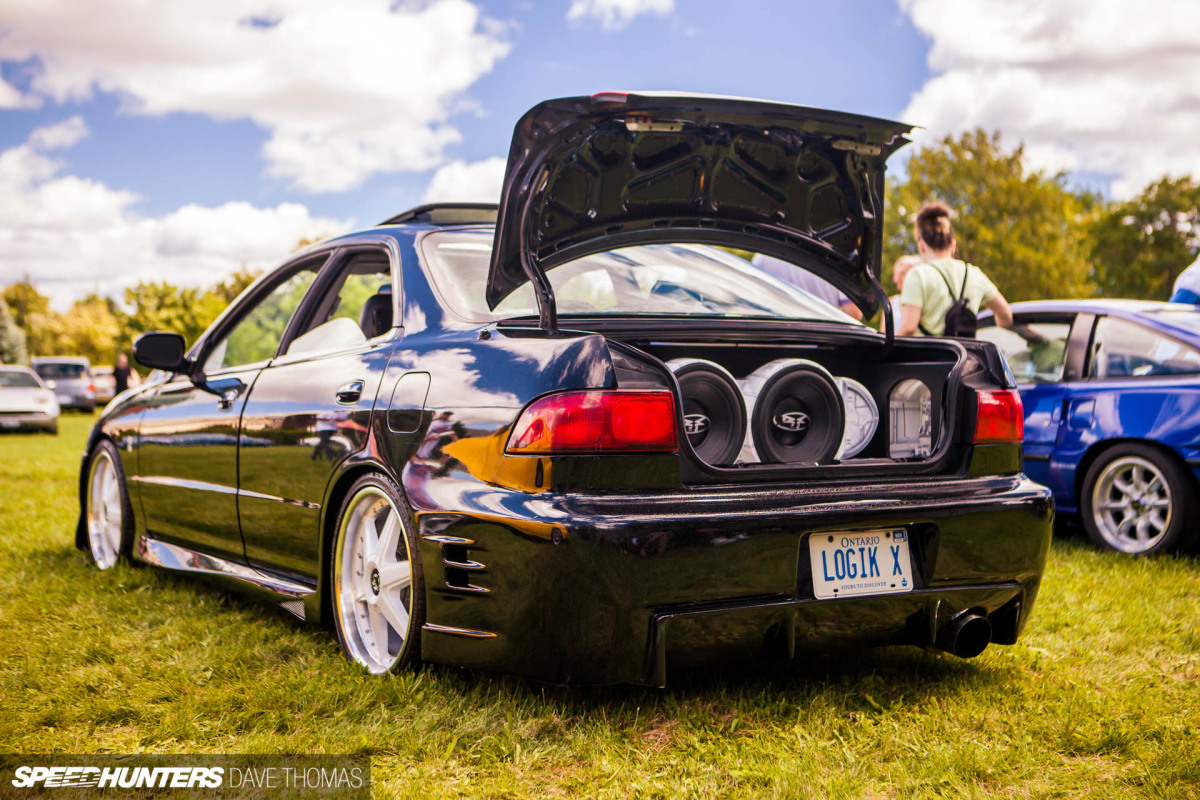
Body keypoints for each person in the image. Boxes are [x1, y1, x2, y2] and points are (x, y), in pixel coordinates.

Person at [897, 202, 1012, 336]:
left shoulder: (918, 274)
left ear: (921, 246)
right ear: (953, 244)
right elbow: (1005, 314)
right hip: (965, 355)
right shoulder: (974, 274)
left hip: (927, 356)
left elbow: (908, 328)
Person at [750, 253, 864, 319]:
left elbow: (752, 305)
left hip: (775, 338)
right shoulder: (835, 260)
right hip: (822, 341)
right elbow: (853, 314)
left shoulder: (762, 257)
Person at [882, 254, 922, 331]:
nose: (895, 279)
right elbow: (883, 334)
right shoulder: (890, 303)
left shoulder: (920, 301)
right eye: (895, 274)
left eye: (901, 274)